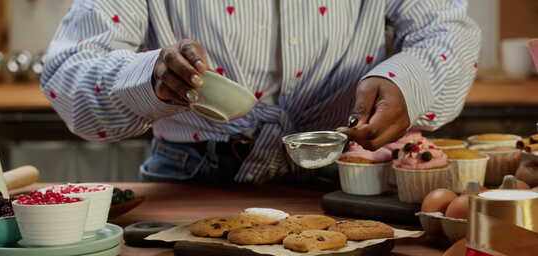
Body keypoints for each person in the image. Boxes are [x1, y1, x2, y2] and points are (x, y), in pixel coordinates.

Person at [42, 0, 481, 184]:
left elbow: (446, 32)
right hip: (192, 179)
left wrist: (405, 82)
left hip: (350, 173)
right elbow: (69, 73)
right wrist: (148, 75)